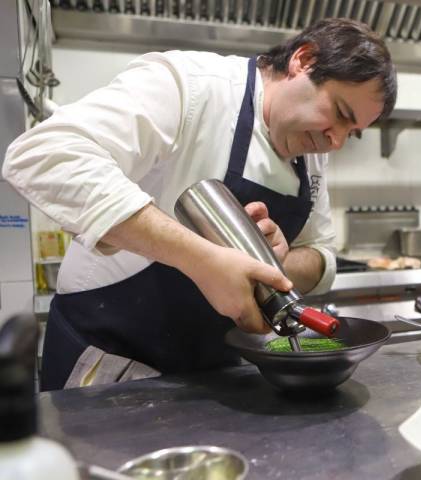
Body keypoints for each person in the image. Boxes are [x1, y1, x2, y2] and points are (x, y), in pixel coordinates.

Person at [2, 18, 397, 390]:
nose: (337, 141)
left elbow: (321, 255)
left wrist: (277, 260)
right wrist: (201, 259)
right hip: (110, 364)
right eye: (340, 114)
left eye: (353, 133)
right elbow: (44, 155)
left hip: (217, 378)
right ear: (303, 60)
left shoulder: (313, 151)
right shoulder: (192, 86)